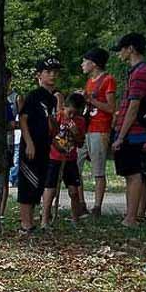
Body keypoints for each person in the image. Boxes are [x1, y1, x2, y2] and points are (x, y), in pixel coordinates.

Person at [111, 33, 146, 228]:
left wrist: (121, 135)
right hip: (133, 131)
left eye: (121, 49)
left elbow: (134, 107)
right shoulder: (138, 71)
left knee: (134, 174)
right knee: (132, 173)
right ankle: (132, 215)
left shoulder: (140, 73)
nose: (120, 53)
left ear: (130, 48)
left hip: (135, 132)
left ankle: (131, 218)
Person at [17, 56, 61, 235]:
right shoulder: (34, 96)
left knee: (39, 183)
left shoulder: (52, 98)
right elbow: (23, 119)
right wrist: (29, 143)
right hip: (31, 145)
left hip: (45, 145)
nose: (52, 76)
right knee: (28, 183)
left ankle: (32, 221)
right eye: (48, 72)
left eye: (55, 72)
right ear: (39, 75)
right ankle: (25, 224)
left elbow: (51, 121)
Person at [80, 47, 116, 217]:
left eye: (84, 61)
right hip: (86, 128)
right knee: (75, 164)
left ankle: (97, 206)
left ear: (93, 63)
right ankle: (80, 202)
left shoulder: (108, 80)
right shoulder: (89, 81)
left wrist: (91, 100)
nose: (82, 64)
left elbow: (110, 108)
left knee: (98, 169)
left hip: (100, 128)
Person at [43, 92, 88, 227]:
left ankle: (75, 219)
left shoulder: (80, 122)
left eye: (76, 114)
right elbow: (50, 135)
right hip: (54, 158)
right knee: (50, 189)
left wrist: (75, 133)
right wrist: (58, 146)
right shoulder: (57, 117)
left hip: (70, 159)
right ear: (64, 107)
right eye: (70, 112)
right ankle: (45, 219)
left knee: (74, 191)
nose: (72, 116)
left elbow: (80, 143)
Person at [1, 68, 18, 218]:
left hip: (7, 143)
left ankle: (0, 212)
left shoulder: (10, 100)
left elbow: (12, 124)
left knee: (4, 178)